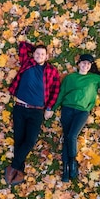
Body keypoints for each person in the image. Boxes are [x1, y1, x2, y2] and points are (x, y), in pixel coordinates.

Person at [5, 41, 60, 185]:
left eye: (42, 54)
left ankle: (13, 167)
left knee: (30, 141)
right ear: (33, 54)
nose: (39, 56)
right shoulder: (27, 62)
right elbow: (22, 45)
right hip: (20, 107)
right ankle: (19, 172)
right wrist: (33, 49)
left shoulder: (52, 71)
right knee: (19, 140)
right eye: (37, 53)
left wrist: (49, 108)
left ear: (47, 56)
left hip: (37, 111)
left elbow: (55, 91)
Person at [53, 53, 100, 181]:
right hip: (67, 109)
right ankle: (65, 170)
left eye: (88, 63)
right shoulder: (70, 78)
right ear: (79, 63)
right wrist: (51, 109)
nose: (85, 65)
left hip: (82, 111)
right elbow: (61, 94)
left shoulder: (95, 78)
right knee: (66, 138)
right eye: (83, 62)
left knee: (72, 136)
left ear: (90, 66)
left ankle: (73, 163)